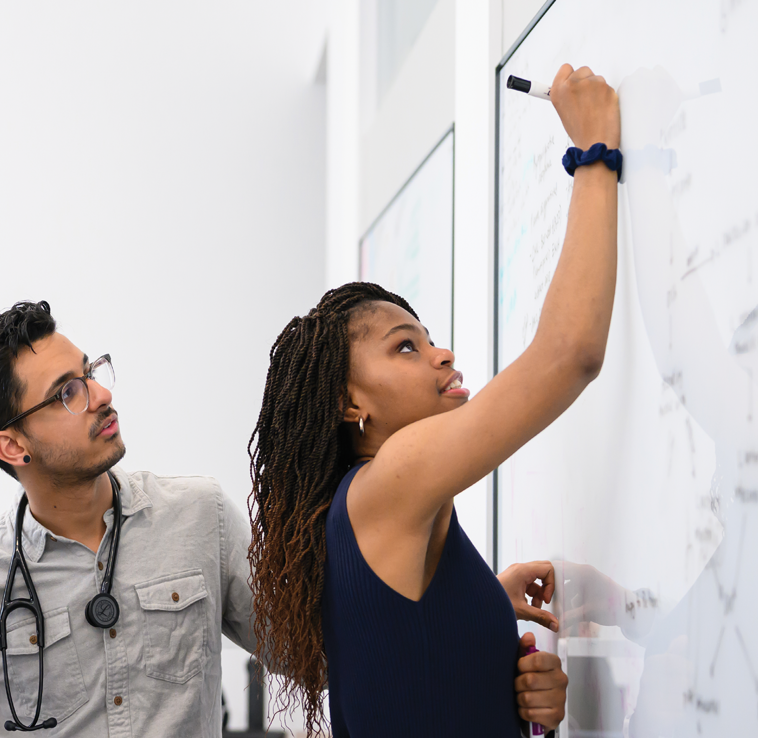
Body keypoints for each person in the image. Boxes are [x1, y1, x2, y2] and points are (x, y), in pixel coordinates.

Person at [0, 300, 570, 737]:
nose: (102, 393)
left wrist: (461, 605)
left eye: (93, 369)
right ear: (12, 445)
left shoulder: (196, 515)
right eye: (67, 392)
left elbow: (316, 656)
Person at [247, 63, 617, 737]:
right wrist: (595, 152)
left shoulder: (377, 511)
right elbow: (571, 355)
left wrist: (478, 616)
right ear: (347, 403)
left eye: (430, 340)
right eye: (406, 348)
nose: (442, 355)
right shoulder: (391, 477)